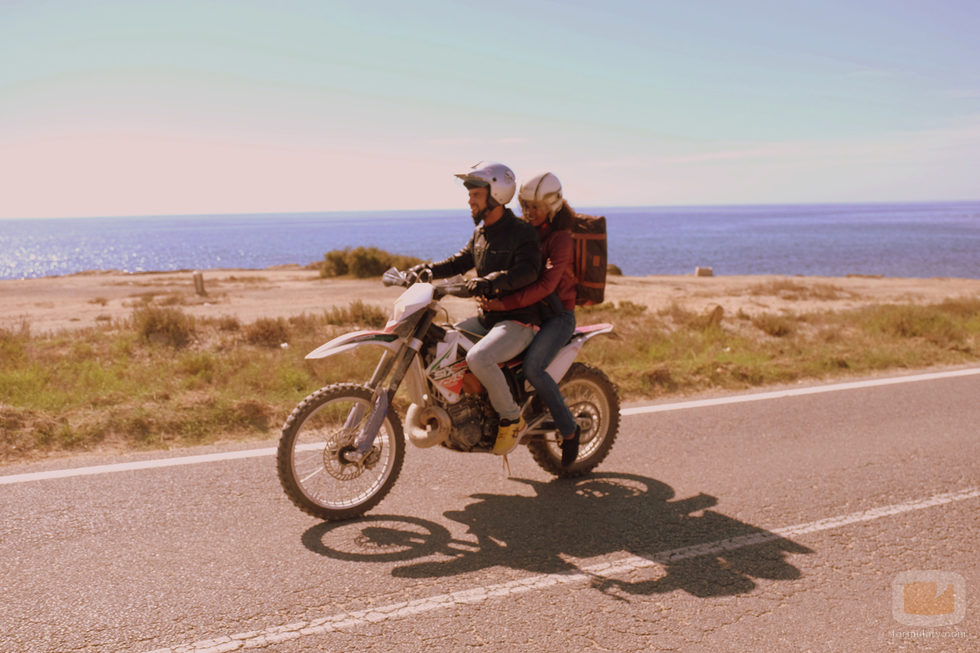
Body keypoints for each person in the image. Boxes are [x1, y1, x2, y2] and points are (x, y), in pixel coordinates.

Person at [414, 162, 542, 455]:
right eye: (470, 195)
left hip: (519, 322)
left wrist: (491, 281)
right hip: (488, 320)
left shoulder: (522, 232)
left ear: (495, 194)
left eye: (475, 195)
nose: (469, 200)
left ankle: (512, 418)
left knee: (479, 358)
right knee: (442, 342)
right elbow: (459, 261)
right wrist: (425, 270)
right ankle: (468, 406)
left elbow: (528, 271)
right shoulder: (482, 233)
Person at [480, 171, 581, 466]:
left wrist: (503, 303)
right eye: (525, 205)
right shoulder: (525, 231)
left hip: (558, 317)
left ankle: (569, 429)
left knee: (534, 368)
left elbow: (546, 286)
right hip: (528, 312)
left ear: (553, 205)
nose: (529, 212)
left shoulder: (561, 239)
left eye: (536, 207)